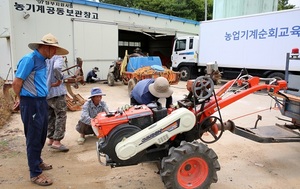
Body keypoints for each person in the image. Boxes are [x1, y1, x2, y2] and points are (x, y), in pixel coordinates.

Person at [12, 33, 68, 186]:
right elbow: (16, 83)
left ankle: (38, 161)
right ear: (45, 47)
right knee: (34, 136)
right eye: (54, 49)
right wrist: (21, 99)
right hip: (31, 103)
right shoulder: (29, 59)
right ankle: (35, 173)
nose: (55, 53)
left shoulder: (42, 61)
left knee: (41, 134)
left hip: (41, 101)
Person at [46, 55, 69, 152]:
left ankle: (50, 139)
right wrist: (60, 78)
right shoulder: (58, 58)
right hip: (57, 92)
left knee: (51, 115)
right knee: (61, 115)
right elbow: (56, 67)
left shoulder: (45, 58)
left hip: (47, 92)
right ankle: (57, 142)